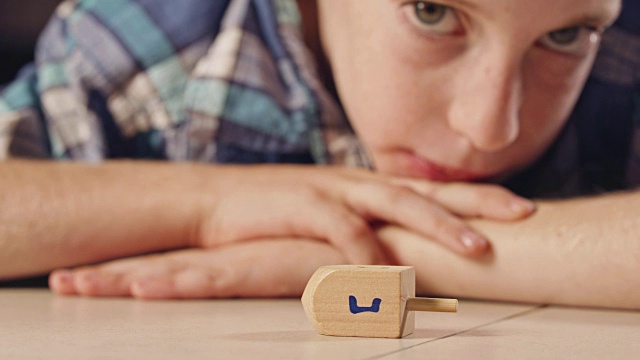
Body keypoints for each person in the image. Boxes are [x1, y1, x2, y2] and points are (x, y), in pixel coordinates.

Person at [0, 0, 638, 309]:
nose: (490, 127)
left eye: (565, 35)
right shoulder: (154, 38)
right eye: (432, 11)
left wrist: (388, 251)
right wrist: (212, 202)